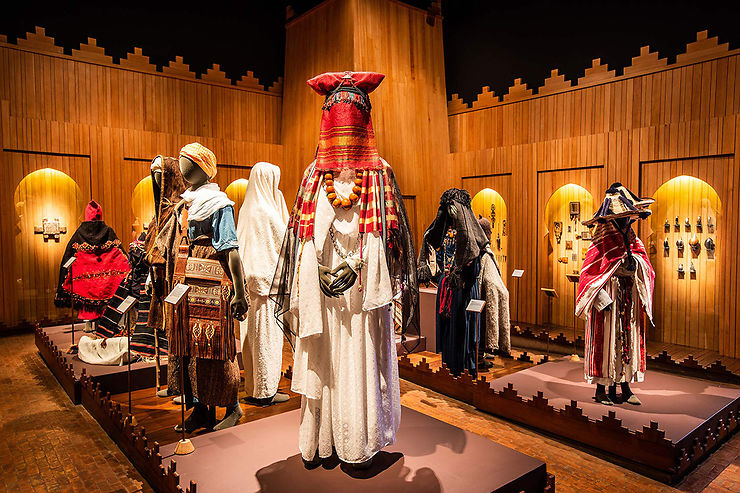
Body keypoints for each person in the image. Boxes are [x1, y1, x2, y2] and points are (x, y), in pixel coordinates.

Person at [271, 71, 418, 468]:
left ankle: (358, 442)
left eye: (353, 113)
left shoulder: (379, 174)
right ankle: (324, 441)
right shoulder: (313, 176)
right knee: (328, 362)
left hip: (363, 296)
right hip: (323, 295)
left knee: (361, 360)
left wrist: (360, 265)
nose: (345, 124)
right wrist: (316, 270)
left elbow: (391, 239)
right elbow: (303, 236)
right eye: (337, 112)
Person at [576, 183, 655, 406]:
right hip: (608, 299)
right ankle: (602, 389)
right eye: (622, 217)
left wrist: (634, 263)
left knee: (627, 340)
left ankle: (625, 386)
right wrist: (601, 295)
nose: (626, 220)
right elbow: (589, 273)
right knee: (606, 342)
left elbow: (645, 263)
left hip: (628, 297)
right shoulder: (601, 240)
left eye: (627, 216)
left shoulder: (632, 239)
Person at [237, 162, 290, 406]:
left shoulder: (246, 209)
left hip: (249, 285)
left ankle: (254, 387)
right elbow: (286, 241)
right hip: (267, 285)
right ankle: (266, 390)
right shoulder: (267, 212)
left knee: (251, 341)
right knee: (267, 340)